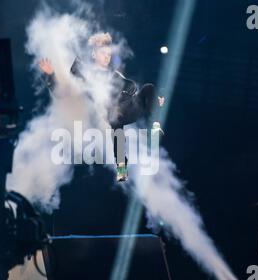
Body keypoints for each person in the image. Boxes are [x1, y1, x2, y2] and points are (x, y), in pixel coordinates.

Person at [38, 32, 164, 182]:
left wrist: (155, 101)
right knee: (117, 128)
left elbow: (132, 87)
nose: (107, 57)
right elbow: (62, 93)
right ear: (93, 54)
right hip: (112, 113)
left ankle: (154, 128)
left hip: (129, 106)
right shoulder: (84, 75)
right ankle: (122, 169)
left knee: (149, 88)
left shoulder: (115, 75)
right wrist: (51, 74)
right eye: (103, 53)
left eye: (109, 54)